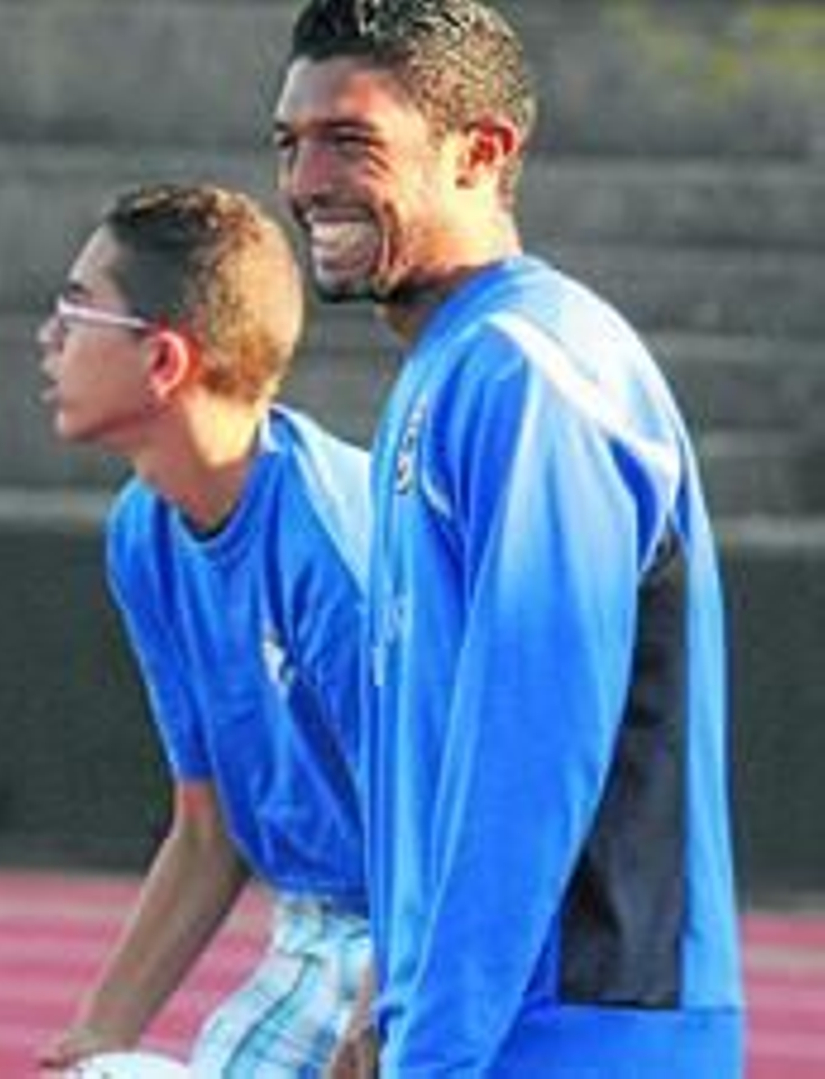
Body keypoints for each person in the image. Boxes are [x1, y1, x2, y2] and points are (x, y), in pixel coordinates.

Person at [271, 1, 746, 1075]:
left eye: (350, 141)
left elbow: (531, 751)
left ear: (481, 152)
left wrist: (434, 1049)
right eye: (289, 143)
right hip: (495, 1024)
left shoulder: (529, 372)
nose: (304, 182)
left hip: (580, 1028)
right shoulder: (449, 367)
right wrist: (391, 1000)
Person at [33, 181, 373, 1077]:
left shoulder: (333, 556)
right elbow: (207, 828)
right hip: (312, 935)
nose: (48, 337)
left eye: (77, 310)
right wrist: (97, 1032)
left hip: (422, 933)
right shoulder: (144, 533)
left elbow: (449, 833)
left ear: (163, 360)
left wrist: (380, 1016)